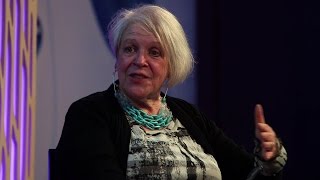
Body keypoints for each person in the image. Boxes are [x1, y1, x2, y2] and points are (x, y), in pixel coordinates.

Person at [55, 4, 287, 180]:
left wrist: (268, 157)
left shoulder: (189, 116)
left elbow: (247, 173)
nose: (140, 60)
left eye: (154, 52)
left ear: (171, 66)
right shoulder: (89, 114)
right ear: (117, 59)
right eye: (130, 49)